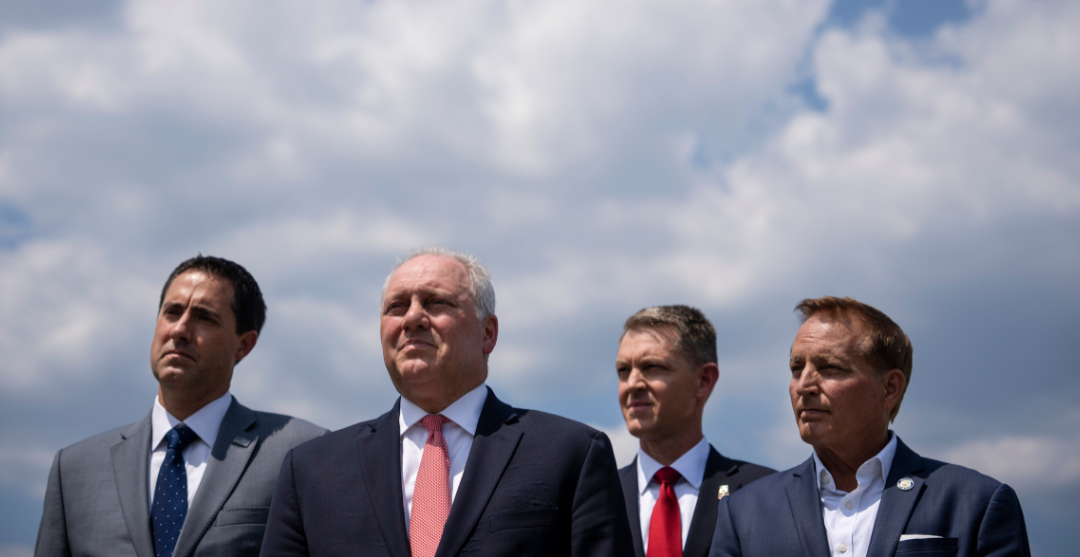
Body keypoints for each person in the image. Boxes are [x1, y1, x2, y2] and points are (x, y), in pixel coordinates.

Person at [260, 247, 634, 557]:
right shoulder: (312, 470)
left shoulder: (569, 454)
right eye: (396, 307)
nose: (412, 318)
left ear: (487, 333)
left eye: (436, 302)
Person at [35, 255, 327, 557]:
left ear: (243, 345)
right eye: (172, 312)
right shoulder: (73, 470)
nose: (180, 330)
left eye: (204, 318)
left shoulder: (302, 451)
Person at [710, 296, 1031, 557]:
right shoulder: (744, 514)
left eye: (829, 367)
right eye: (796, 368)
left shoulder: (975, 502)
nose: (803, 384)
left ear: (890, 388)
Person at [616, 306, 774, 557]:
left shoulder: (767, 492)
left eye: (652, 367)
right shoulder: (595, 496)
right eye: (623, 371)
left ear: (704, 380)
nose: (632, 383)